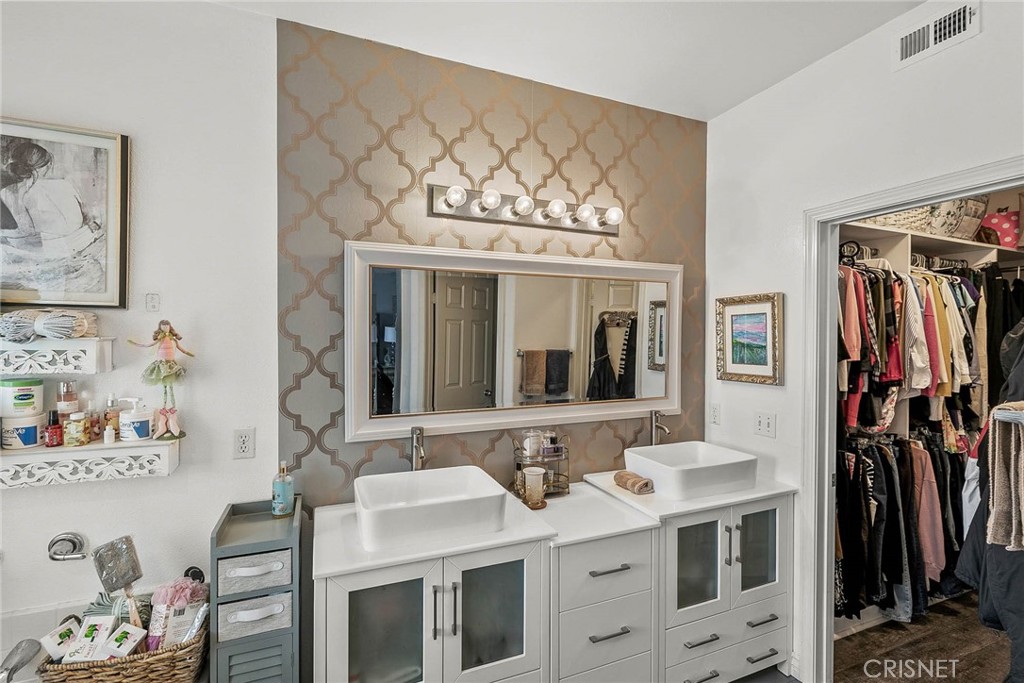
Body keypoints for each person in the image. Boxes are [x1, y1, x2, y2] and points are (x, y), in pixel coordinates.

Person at [128, 320, 195, 439]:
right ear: (160, 328)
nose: (166, 329)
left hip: (171, 365)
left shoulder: (173, 339)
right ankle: (163, 424)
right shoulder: (160, 338)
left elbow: (181, 348)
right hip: (161, 365)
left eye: (167, 327)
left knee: (171, 389)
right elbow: (148, 345)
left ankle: (172, 422)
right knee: (165, 389)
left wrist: (189, 353)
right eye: (164, 327)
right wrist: (136, 344)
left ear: (170, 328)